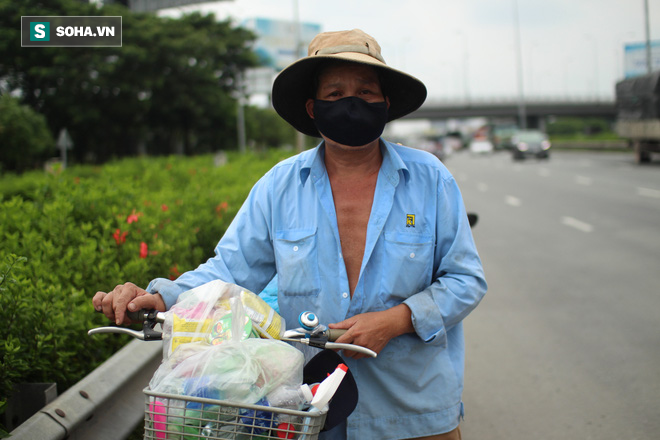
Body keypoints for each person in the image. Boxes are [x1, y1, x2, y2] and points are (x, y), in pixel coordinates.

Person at [93, 29, 487, 440]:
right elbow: (230, 269)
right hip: (309, 410)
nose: (351, 103)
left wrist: (395, 321)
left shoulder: (430, 179)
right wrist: (159, 297)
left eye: (366, 92)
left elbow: (466, 280)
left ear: (385, 103)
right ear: (313, 109)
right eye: (334, 94)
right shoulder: (279, 187)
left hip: (413, 411)